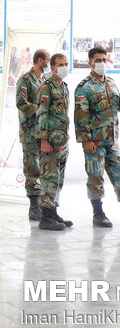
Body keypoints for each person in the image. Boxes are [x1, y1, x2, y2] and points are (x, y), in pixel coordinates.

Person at [74, 47, 120, 227]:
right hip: (94, 141)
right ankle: (98, 213)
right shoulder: (84, 87)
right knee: (95, 177)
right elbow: (80, 115)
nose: (101, 63)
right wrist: (86, 140)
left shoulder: (111, 83)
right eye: (97, 60)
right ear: (90, 63)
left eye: (104, 60)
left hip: (112, 140)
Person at [35, 53, 73, 230]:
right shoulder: (46, 87)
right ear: (52, 67)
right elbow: (42, 114)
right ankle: (45, 217)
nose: (64, 66)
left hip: (61, 142)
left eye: (66, 63)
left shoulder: (64, 86)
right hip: (49, 142)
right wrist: (43, 140)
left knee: (58, 179)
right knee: (49, 178)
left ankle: (53, 211)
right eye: (60, 64)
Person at [16, 49, 49, 221]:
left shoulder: (44, 80)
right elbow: (21, 102)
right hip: (29, 131)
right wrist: (40, 113)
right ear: (40, 60)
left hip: (42, 132)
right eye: (47, 60)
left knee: (43, 167)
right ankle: (33, 206)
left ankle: (43, 204)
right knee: (32, 168)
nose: (49, 63)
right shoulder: (26, 79)